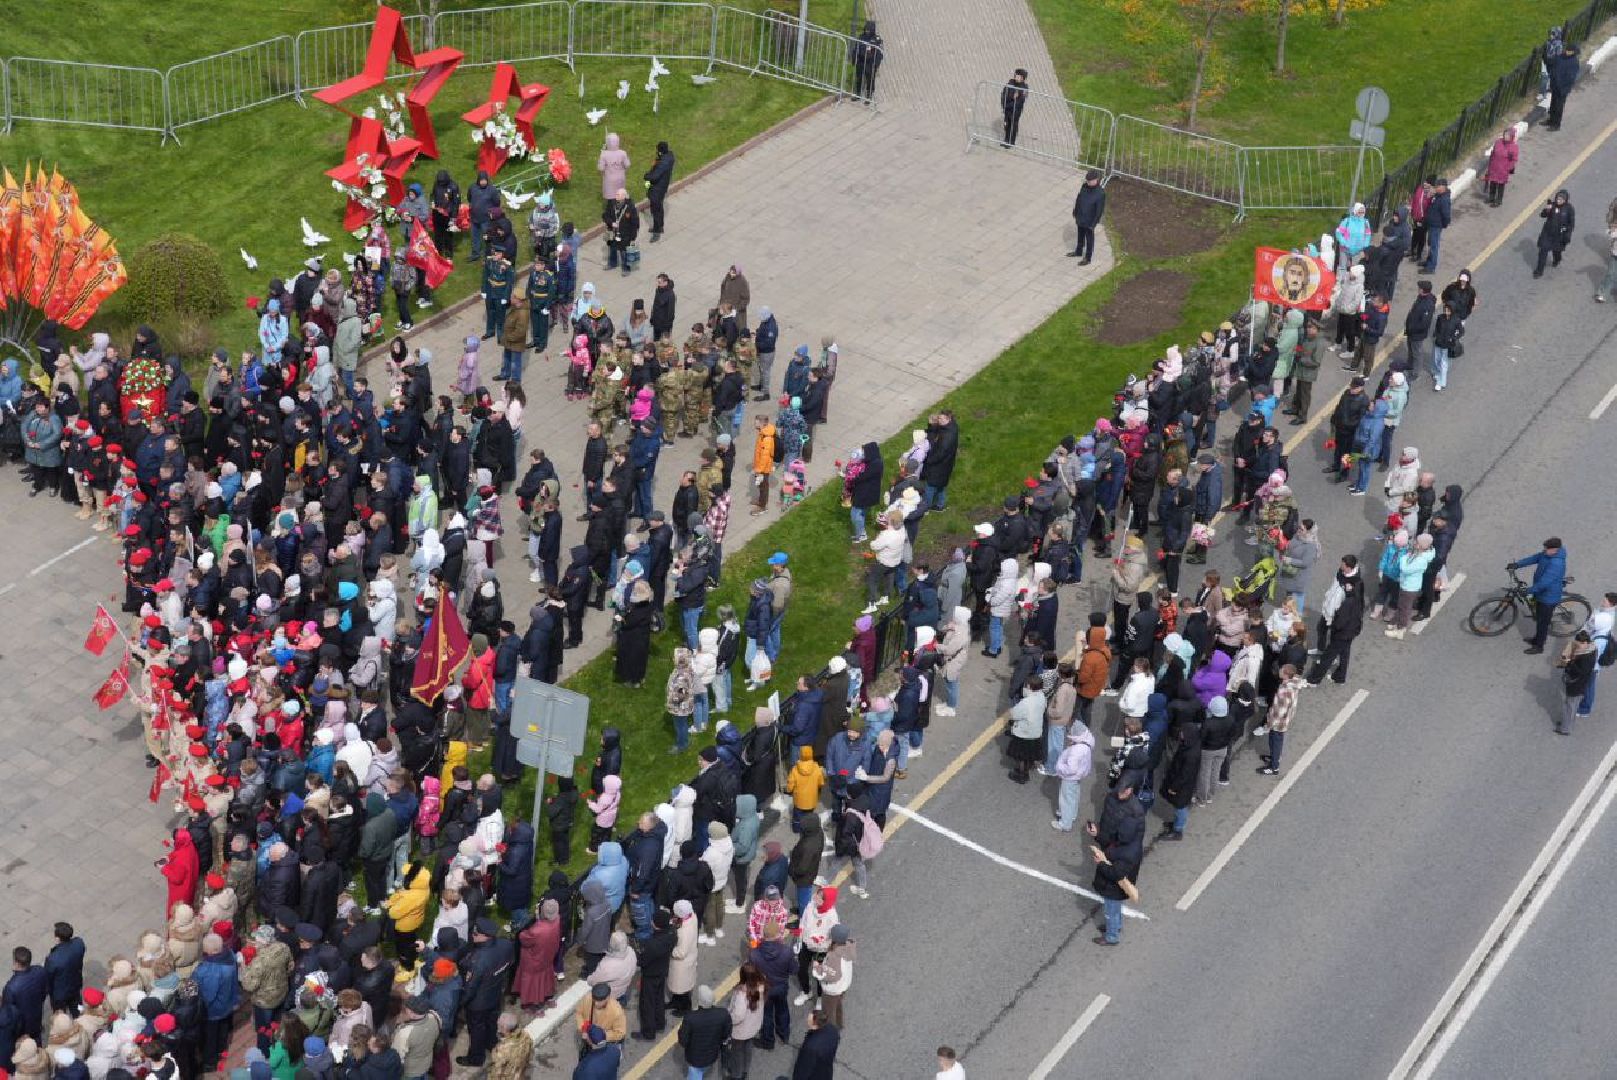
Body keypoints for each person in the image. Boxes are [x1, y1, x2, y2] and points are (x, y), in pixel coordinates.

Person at [1509, 538, 1568, 654]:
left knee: (1542, 623)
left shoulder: (1556, 563)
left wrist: (1529, 591)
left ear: (1555, 549)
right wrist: (1517, 564)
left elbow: (1544, 583)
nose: (1544, 550)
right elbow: (1534, 558)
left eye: (1546, 549)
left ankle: (1539, 646)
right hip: (1541, 592)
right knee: (1539, 617)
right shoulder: (1547, 554)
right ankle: (1536, 639)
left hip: (1548, 597)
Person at [676, 985, 730, 1078]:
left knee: (695, 1075)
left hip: (695, 1059)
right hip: (712, 1055)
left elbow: (683, 1041)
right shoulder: (723, 1014)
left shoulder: (690, 1018)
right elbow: (726, 1034)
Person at [1534, 189, 1575, 278]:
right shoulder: (1552, 205)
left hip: (1559, 236)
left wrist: (1567, 234)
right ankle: (1539, 271)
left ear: (1565, 200)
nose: (1558, 201)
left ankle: (1557, 259)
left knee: (1556, 251)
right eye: (1558, 199)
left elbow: (1571, 224)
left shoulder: (1569, 209)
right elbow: (1542, 215)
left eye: (1561, 199)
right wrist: (1546, 210)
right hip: (1548, 233)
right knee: (1543, 251)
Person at [789, 1010, 840, 1080]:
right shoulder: (833, 1030)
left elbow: (803, 1070)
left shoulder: (811, 1048)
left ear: (815, 1025)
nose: (807, 1021)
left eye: (809, 1020)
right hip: (826, 1071)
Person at [1068, 170, 1105, 264]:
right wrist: (1075, 211)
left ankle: (1088, 258)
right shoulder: (1084, 186)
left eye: (1090, 181)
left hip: (1089, 221)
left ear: (1096, 180)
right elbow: (1079, 198)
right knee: (1080, 235)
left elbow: (1099, 211)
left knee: (1089, 239)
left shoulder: (1100, 193)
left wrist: (1093, 224)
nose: (1088, 182)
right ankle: (1078, 251)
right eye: (1087, 180)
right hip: (1080, 216)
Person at [643, 141, 676, 241]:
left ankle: (657, 232)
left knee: (656, 210)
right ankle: (659, 226)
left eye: (657, 150)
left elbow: (654, 176)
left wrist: (646, 176)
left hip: (657, 189)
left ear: (660, 151)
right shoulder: (669, 156)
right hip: (662, 187)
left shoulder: (663, 163)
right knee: (659, 207)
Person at [1418, 177, 1451, 274]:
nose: (1436, 188)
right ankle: (1428, 261)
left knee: (1433, 246)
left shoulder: (1444, 199)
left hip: (1436, 226)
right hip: (1432, 224)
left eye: (1438, 186)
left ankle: (1431, 267)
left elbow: (1446, 215)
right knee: (1430, 243)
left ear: (1444, 187)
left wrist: (1444, 224)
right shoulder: (1439, 195)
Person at [1546, 40, 1580, 130]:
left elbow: (1570, 78)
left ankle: (1556, 124)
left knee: (1559, 106)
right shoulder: (1560, 57)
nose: (1567, 52)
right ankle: (1551, 120)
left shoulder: (1574, 62)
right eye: (1567, 50)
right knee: (1553, 104)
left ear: (1573, 52)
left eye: (1570, 51)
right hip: (1555, 85)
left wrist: (1561, 86)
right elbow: (1553, 66)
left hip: (1562, 89)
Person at [1484, 128, 1519, 207]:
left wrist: (1508, 168)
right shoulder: (1498, 142)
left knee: (1500, 185)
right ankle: (1491, 197)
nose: (1506, 136)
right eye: (1505, 134)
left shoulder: (1514, 147)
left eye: (1508, 135)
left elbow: (1514, 159)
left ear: (1512, 136)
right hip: (1494, 167)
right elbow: (1493, 154)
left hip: (1503, 169)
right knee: (1493, 183)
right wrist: (1490, 166)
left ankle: (1499, 200)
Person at [850, 20, 883, 100]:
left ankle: (869, 94)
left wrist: (876, 64)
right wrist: (854, 58)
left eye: (869, 30)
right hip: (861, 61)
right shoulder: (861, 37)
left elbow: (880, 52)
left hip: (871, 62)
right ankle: (858, 93)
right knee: (859, 77)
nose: (867, 31)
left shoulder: (877, 39)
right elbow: (857, 48)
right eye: (866, 29)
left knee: (870, 79)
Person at [1000, 69, 1028, 147]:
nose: (1017, 77)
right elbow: (1004, 94)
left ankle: (1011, 142)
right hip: (1007, 108)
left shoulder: (1024, 87)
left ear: (1023, 78)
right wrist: (1004, 104)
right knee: (1007, 124)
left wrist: (1012, 100)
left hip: (1015, 111)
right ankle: (1006, 140)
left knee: (1013, 125)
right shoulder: (1010, 83)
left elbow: (1020, 101)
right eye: (1016, 75)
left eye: (1019, 76)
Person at [1597, 196, 1617, 303]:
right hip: (1615, 252)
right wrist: (1611, 230)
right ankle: (1603, 293)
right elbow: (1610, 231)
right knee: (1611, 273)